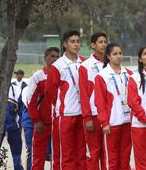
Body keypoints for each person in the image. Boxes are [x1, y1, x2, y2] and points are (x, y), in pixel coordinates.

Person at [45, 30, 86, 170]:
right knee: (65, 155)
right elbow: (50, 91)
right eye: (72, 42)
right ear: (65, 44)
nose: (76, 45)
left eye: (78, 41)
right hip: (65, 115)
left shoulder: (85, 63)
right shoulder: (58, 65)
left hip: (83, 114)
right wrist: (62, 105)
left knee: (82, 153)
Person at [94, 43, 133, 170]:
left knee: (125, 155)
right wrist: (104, 122)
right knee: (112, 158)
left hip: (128, 121)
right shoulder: (102, 76)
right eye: (115, 54)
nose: (118, 56)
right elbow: (99, 102)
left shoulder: (130, 74)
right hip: (112, 122)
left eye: (120, 53)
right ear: (108, 56)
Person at [27, 47, 60, 169]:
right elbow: (30, 100)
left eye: (57, 57)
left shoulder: (62, 74)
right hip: (42, 122)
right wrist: (36, 120)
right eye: (52, 56)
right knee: (38, 155)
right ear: (45, 58)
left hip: (59, 121)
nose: (55, 59)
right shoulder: (37, 76)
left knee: (58, 155)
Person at [78, 32, 107, 170]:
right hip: (93, 116)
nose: (103, 45)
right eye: (100, 42)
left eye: (105, 42)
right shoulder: (85, 66)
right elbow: (83, 94)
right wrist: (87, 117)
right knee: (93, 153)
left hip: (109, 116)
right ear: (93, 45)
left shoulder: (110, 63)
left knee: (107, 154)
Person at [2, 81, 24, 170]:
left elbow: (21, 110)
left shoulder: (16, 90)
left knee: (16, 153)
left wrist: (20, 125)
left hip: (13, 126)